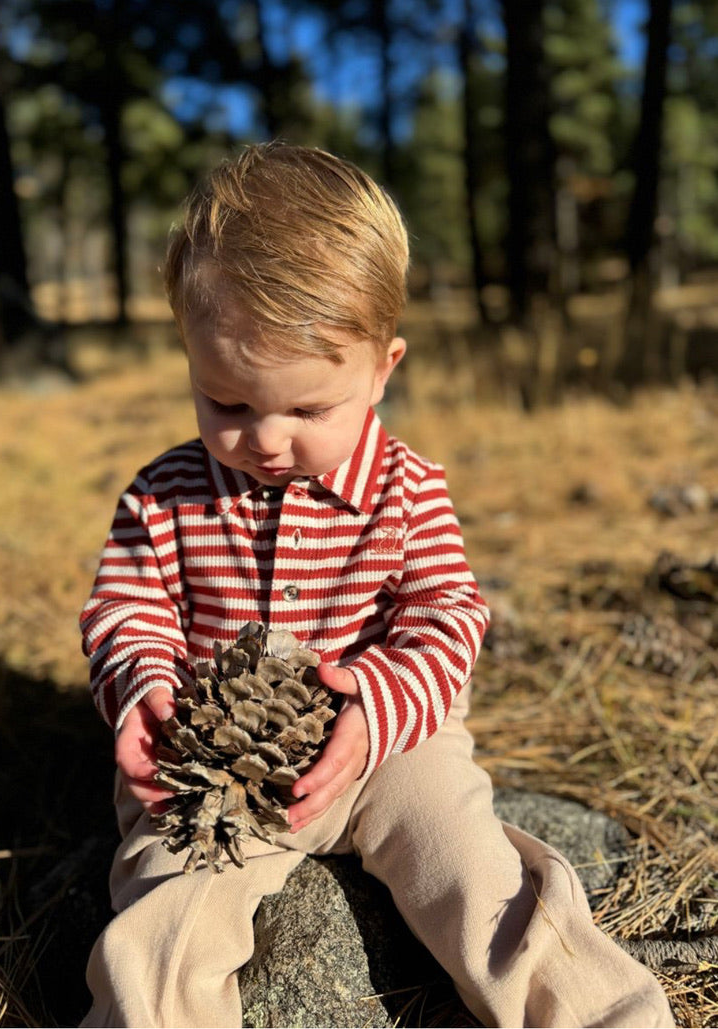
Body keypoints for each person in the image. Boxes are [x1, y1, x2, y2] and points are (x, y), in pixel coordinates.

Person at [79, 142, 674, 1028]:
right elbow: (127, 606)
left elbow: (448, 615)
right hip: (219, 770)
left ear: (383, 368)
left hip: (391, 740)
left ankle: (601, 1015)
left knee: (475, 873)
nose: (267, 441)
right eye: (227, 404)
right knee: (166, 922)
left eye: (308, 409)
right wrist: (145, 690)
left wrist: (380, 698)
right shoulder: (164, 492)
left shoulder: (407, 488)